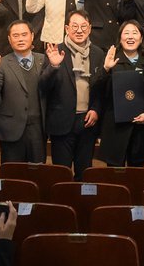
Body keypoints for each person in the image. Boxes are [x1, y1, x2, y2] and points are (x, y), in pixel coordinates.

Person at [41, 10, 101, 179]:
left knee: (85, 173)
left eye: (83, 26)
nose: (79, 30)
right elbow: (43, 87)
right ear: (67, 28)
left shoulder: (97, 53)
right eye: (74, 26)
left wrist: (96, 109)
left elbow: (101, 88)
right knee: (61, 174)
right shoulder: (55, 51)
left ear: (90, 28)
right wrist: (53, 67)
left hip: (87, 122)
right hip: (62, 122)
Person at [90, 20, 144, 167]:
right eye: (126, 33)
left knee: (136, 173)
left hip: (140, 129)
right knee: (114, 174)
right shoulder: (110, 58)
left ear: (141, 38)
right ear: (120, 38)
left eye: (134, 33)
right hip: (115, 128)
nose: (130, 37)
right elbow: (96, 89)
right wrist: (106, 69)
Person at [0, 20, 55, 163]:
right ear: (9, 39)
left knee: (37, 171)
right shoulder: (2, 63)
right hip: (11, 130)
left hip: (38, 130)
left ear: (32, 36)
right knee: (12, 172)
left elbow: (50, 89)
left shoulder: (44, 60)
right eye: (16, 35)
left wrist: (54, 67)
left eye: (24, 34)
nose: (20, 39)